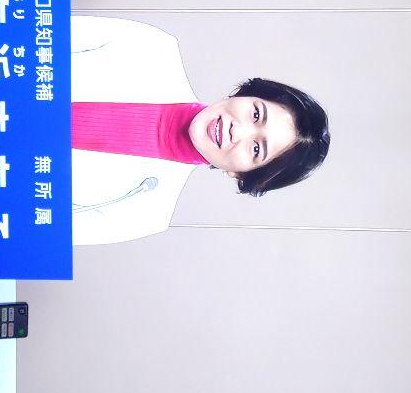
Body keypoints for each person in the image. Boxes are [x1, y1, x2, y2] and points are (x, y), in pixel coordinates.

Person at [70, 16, 330, 245]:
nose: (237, 131)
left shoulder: (146, 212)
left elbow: (46, 236)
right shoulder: (152, 46)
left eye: (255, 149)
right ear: (245, 94)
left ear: (239, 174)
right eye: (255, 114)